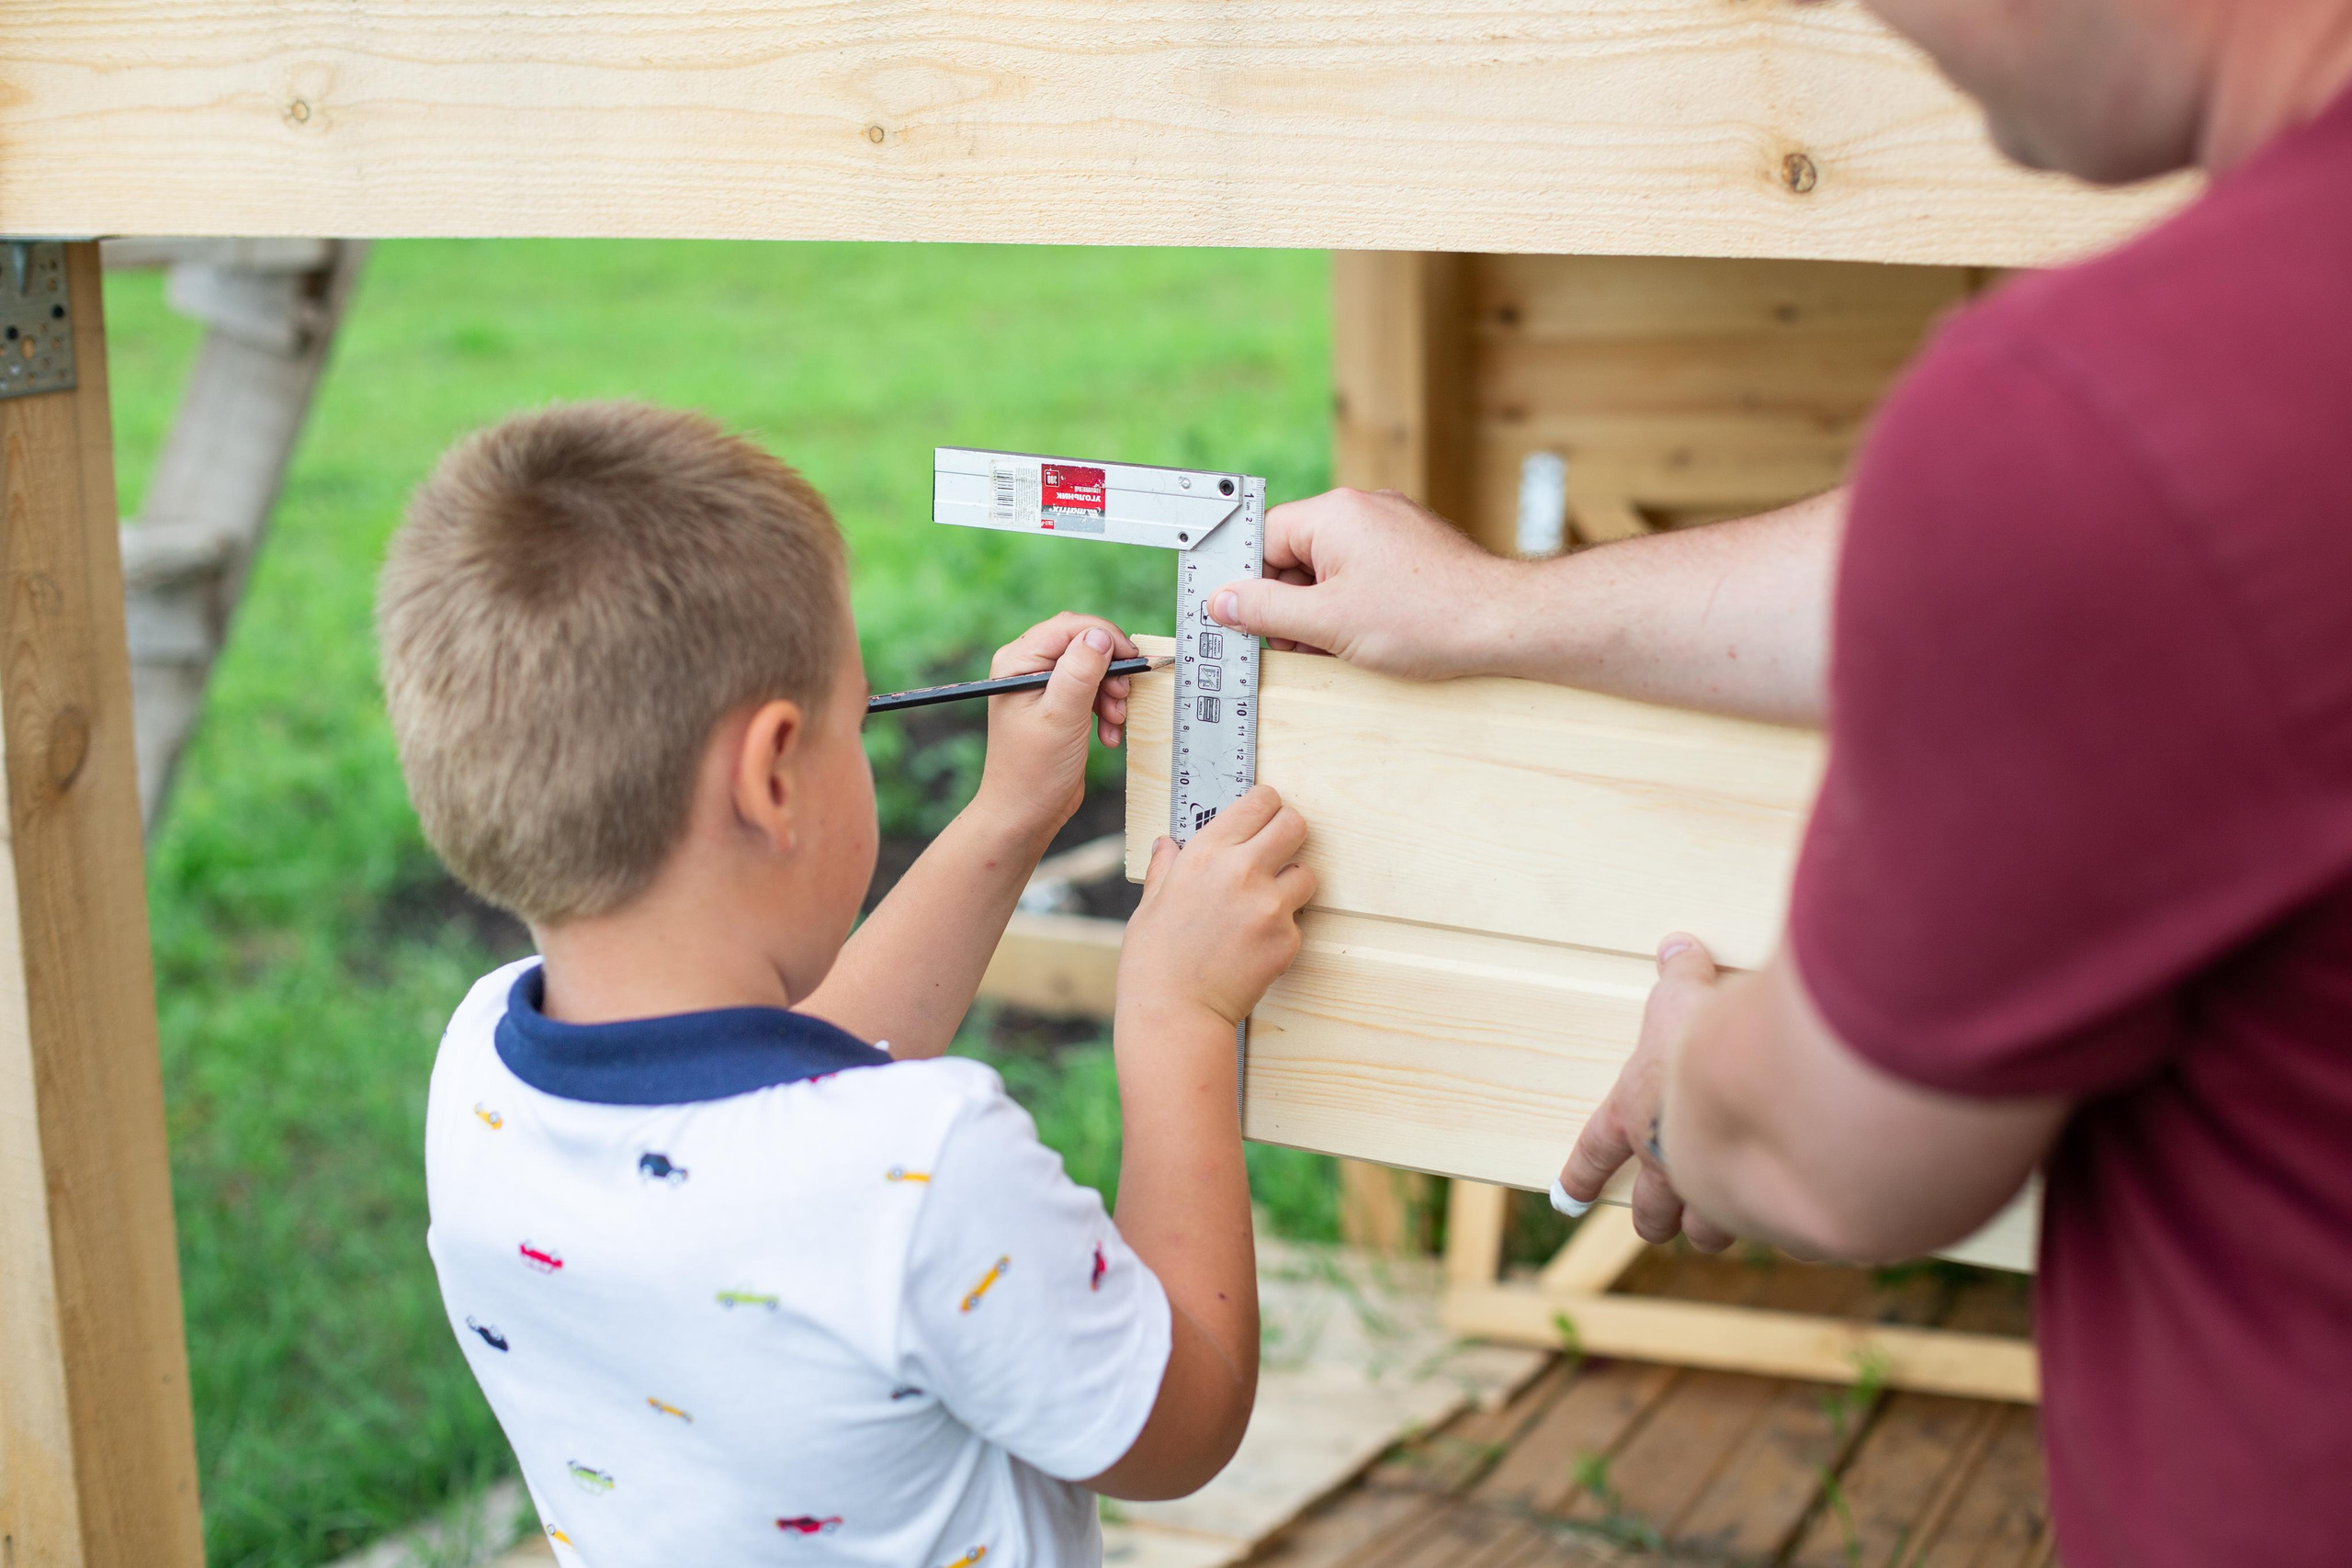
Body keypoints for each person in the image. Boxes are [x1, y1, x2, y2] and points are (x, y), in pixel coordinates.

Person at [1200, 2, 2352, 1563]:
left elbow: (1840, 1155)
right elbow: (2028, 553)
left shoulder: (2111, 417)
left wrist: (1703, 1086)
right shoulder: (2209, 408)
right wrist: (1502, 608)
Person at [377, 402, 1314, 1566]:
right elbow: (1180, 1427)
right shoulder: (929, 1172)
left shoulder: (481, 1068)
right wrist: (1177, 1019)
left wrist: (1011, 813)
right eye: (856, 718)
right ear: (774, 775)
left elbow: (794, 1078)